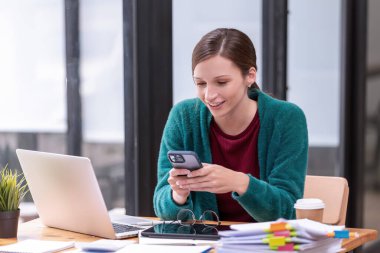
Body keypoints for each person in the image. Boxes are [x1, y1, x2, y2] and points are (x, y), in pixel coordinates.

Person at [153, 28, 308, 222]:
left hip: (266, 244)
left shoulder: (286, 118)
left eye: (222, 82)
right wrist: (178, 194)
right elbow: (162, 207)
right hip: (204, 244)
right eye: (201, 84)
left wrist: (238, 182)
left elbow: (287, 210)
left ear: (250, 76)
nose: (209, 95)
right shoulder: (183, 117)